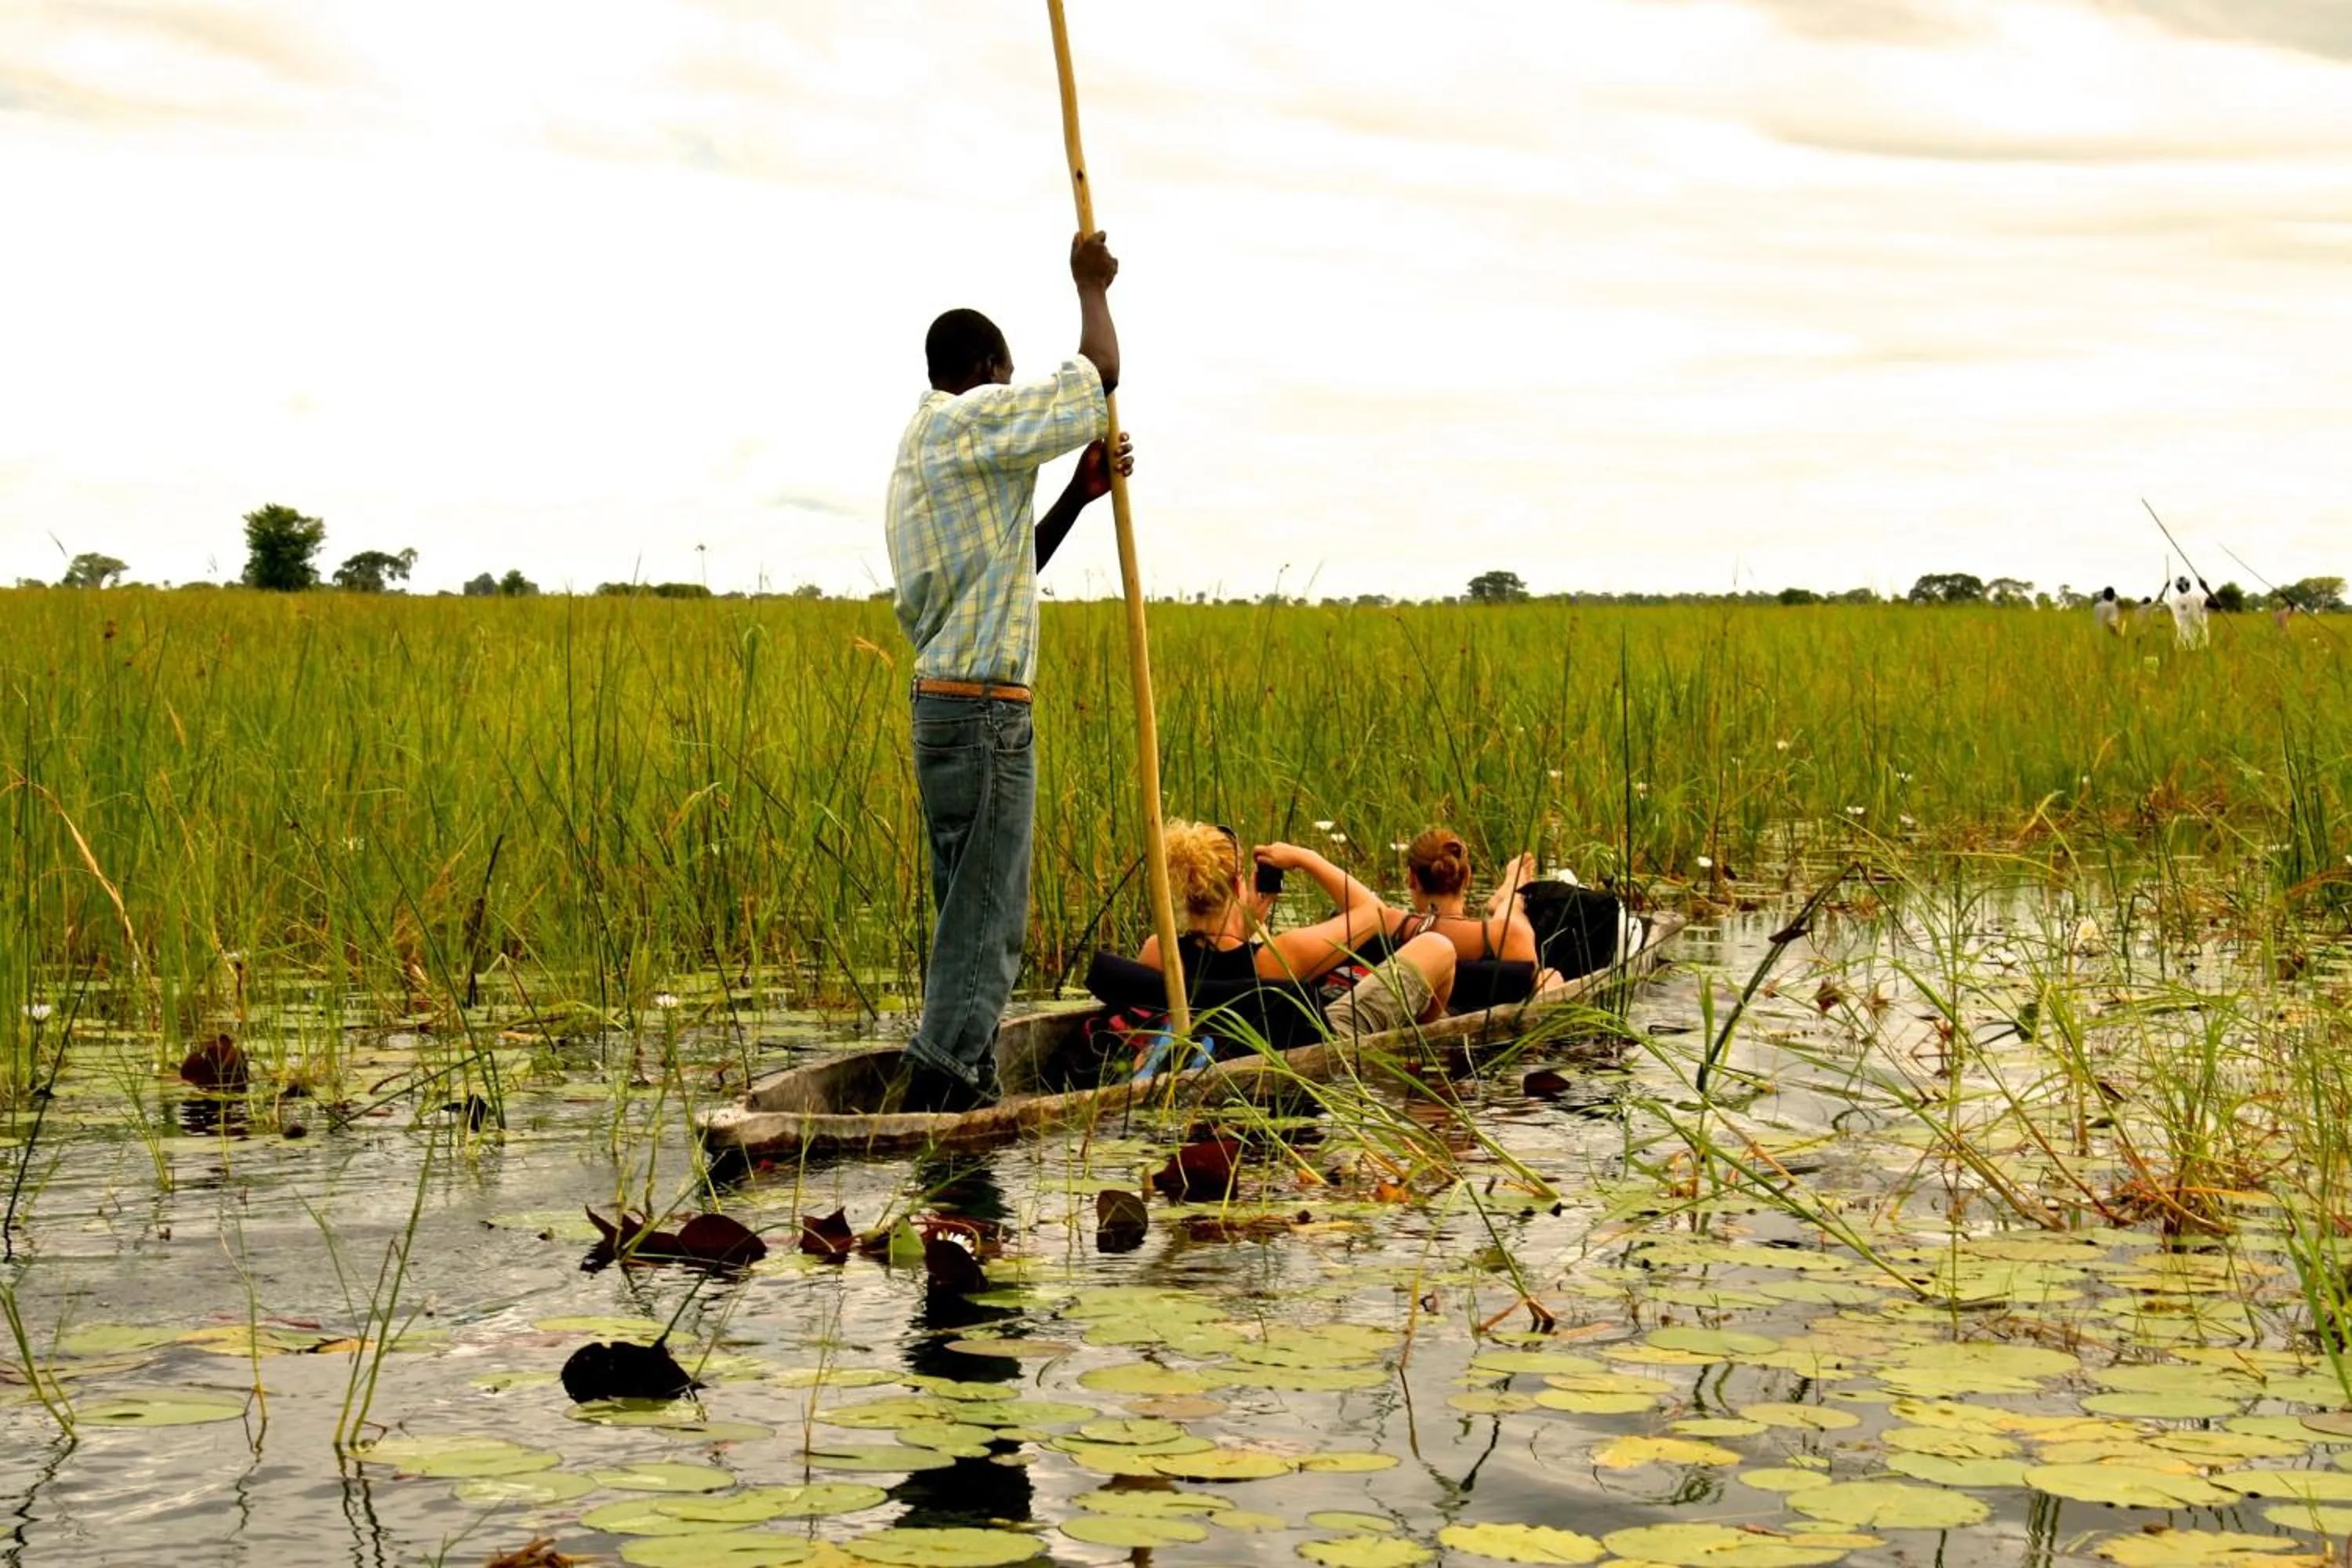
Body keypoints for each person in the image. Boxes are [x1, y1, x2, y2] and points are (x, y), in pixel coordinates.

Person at [881, 232, 1131, 1112]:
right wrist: (1090, 284)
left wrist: (1077, 493)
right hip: (984, 711)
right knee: (989, 923)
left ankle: (967, 1067)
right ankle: (942, 1087)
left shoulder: (922, 448)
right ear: (988, 368)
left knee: (965, 909)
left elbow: (1010, 565)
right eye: (1008, 372)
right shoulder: (968, 419)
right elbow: (1097, 377)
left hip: (943, 707)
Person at [1138, 822, 1455, 1044]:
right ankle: (1425, 1032)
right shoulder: (1278, 957)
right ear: (1237, 885)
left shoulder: (1157, 951)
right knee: (1436, 946)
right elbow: (1376, 913)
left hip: (1215, 1043)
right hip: (1319, 1041)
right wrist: (1307, 859)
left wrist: (1245, 927)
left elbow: (1218, 959)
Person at [1396, 828, 1563, 991]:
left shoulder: (1396, 928)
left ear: (1412, 878)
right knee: (1548, 974)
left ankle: (1511, 892)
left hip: (1437, 1009)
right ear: (1467, 878)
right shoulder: (1505, 936)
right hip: (1500, 946)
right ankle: (1514, 893)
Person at [2165, 574, 2211, 649]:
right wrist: (2206, 588)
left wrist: (2165, 588)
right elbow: (2218, 605)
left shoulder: (2172, 602)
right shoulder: (2199, 597)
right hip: (2201, 642)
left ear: (2177, 588)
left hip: (2182, 643)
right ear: (2189, 585)